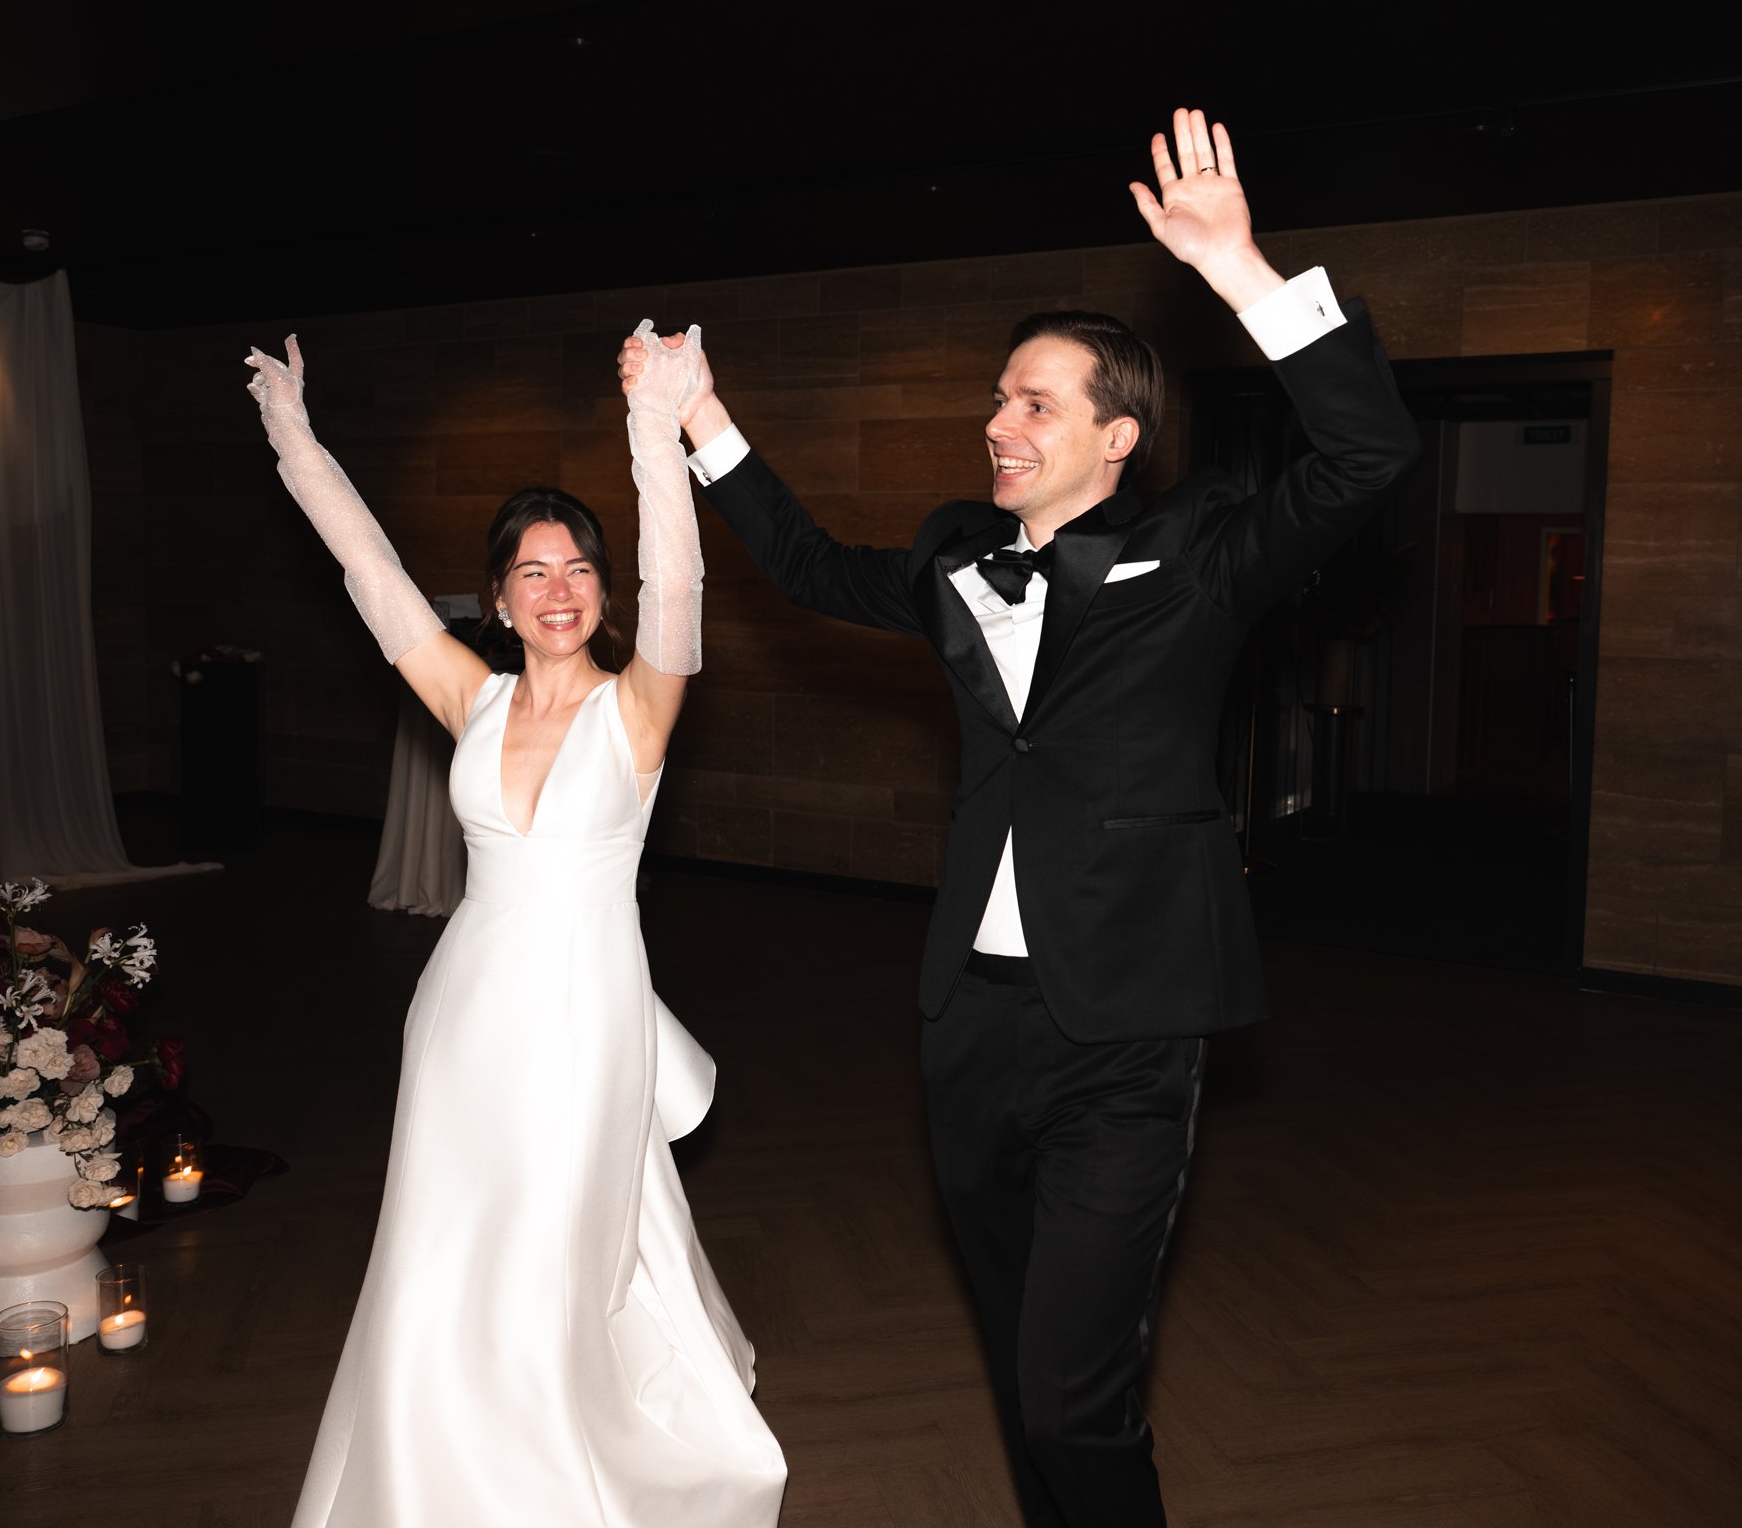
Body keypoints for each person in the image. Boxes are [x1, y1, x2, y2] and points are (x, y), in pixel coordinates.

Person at [619, 108, 1417, 1527]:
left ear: (1118, 436)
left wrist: (1239, 271)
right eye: (1000, 397)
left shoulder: (1199, 554)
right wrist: (701, 416)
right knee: (1020, 1353)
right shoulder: (956, 557)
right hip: (969, 1025)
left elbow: (1366, 454)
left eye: (1037, 404)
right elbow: (807, 565)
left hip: (1127, 1024)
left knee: (1072, 1389)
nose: (1000, 422)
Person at [245, 326, 786, 1526]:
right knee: (443, 1242)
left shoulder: (639, 708)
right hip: (463, 1015)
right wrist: (296, 440)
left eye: (579, 568)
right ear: (496, 597)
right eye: (532, 572)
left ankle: (558, 1476)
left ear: (603, 590)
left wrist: (653, 424)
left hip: (585, 1017)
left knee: (553, 1248)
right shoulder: (470, 698)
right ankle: (435, 1469)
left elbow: (680, 584)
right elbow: (370, 570)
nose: (559, 589)